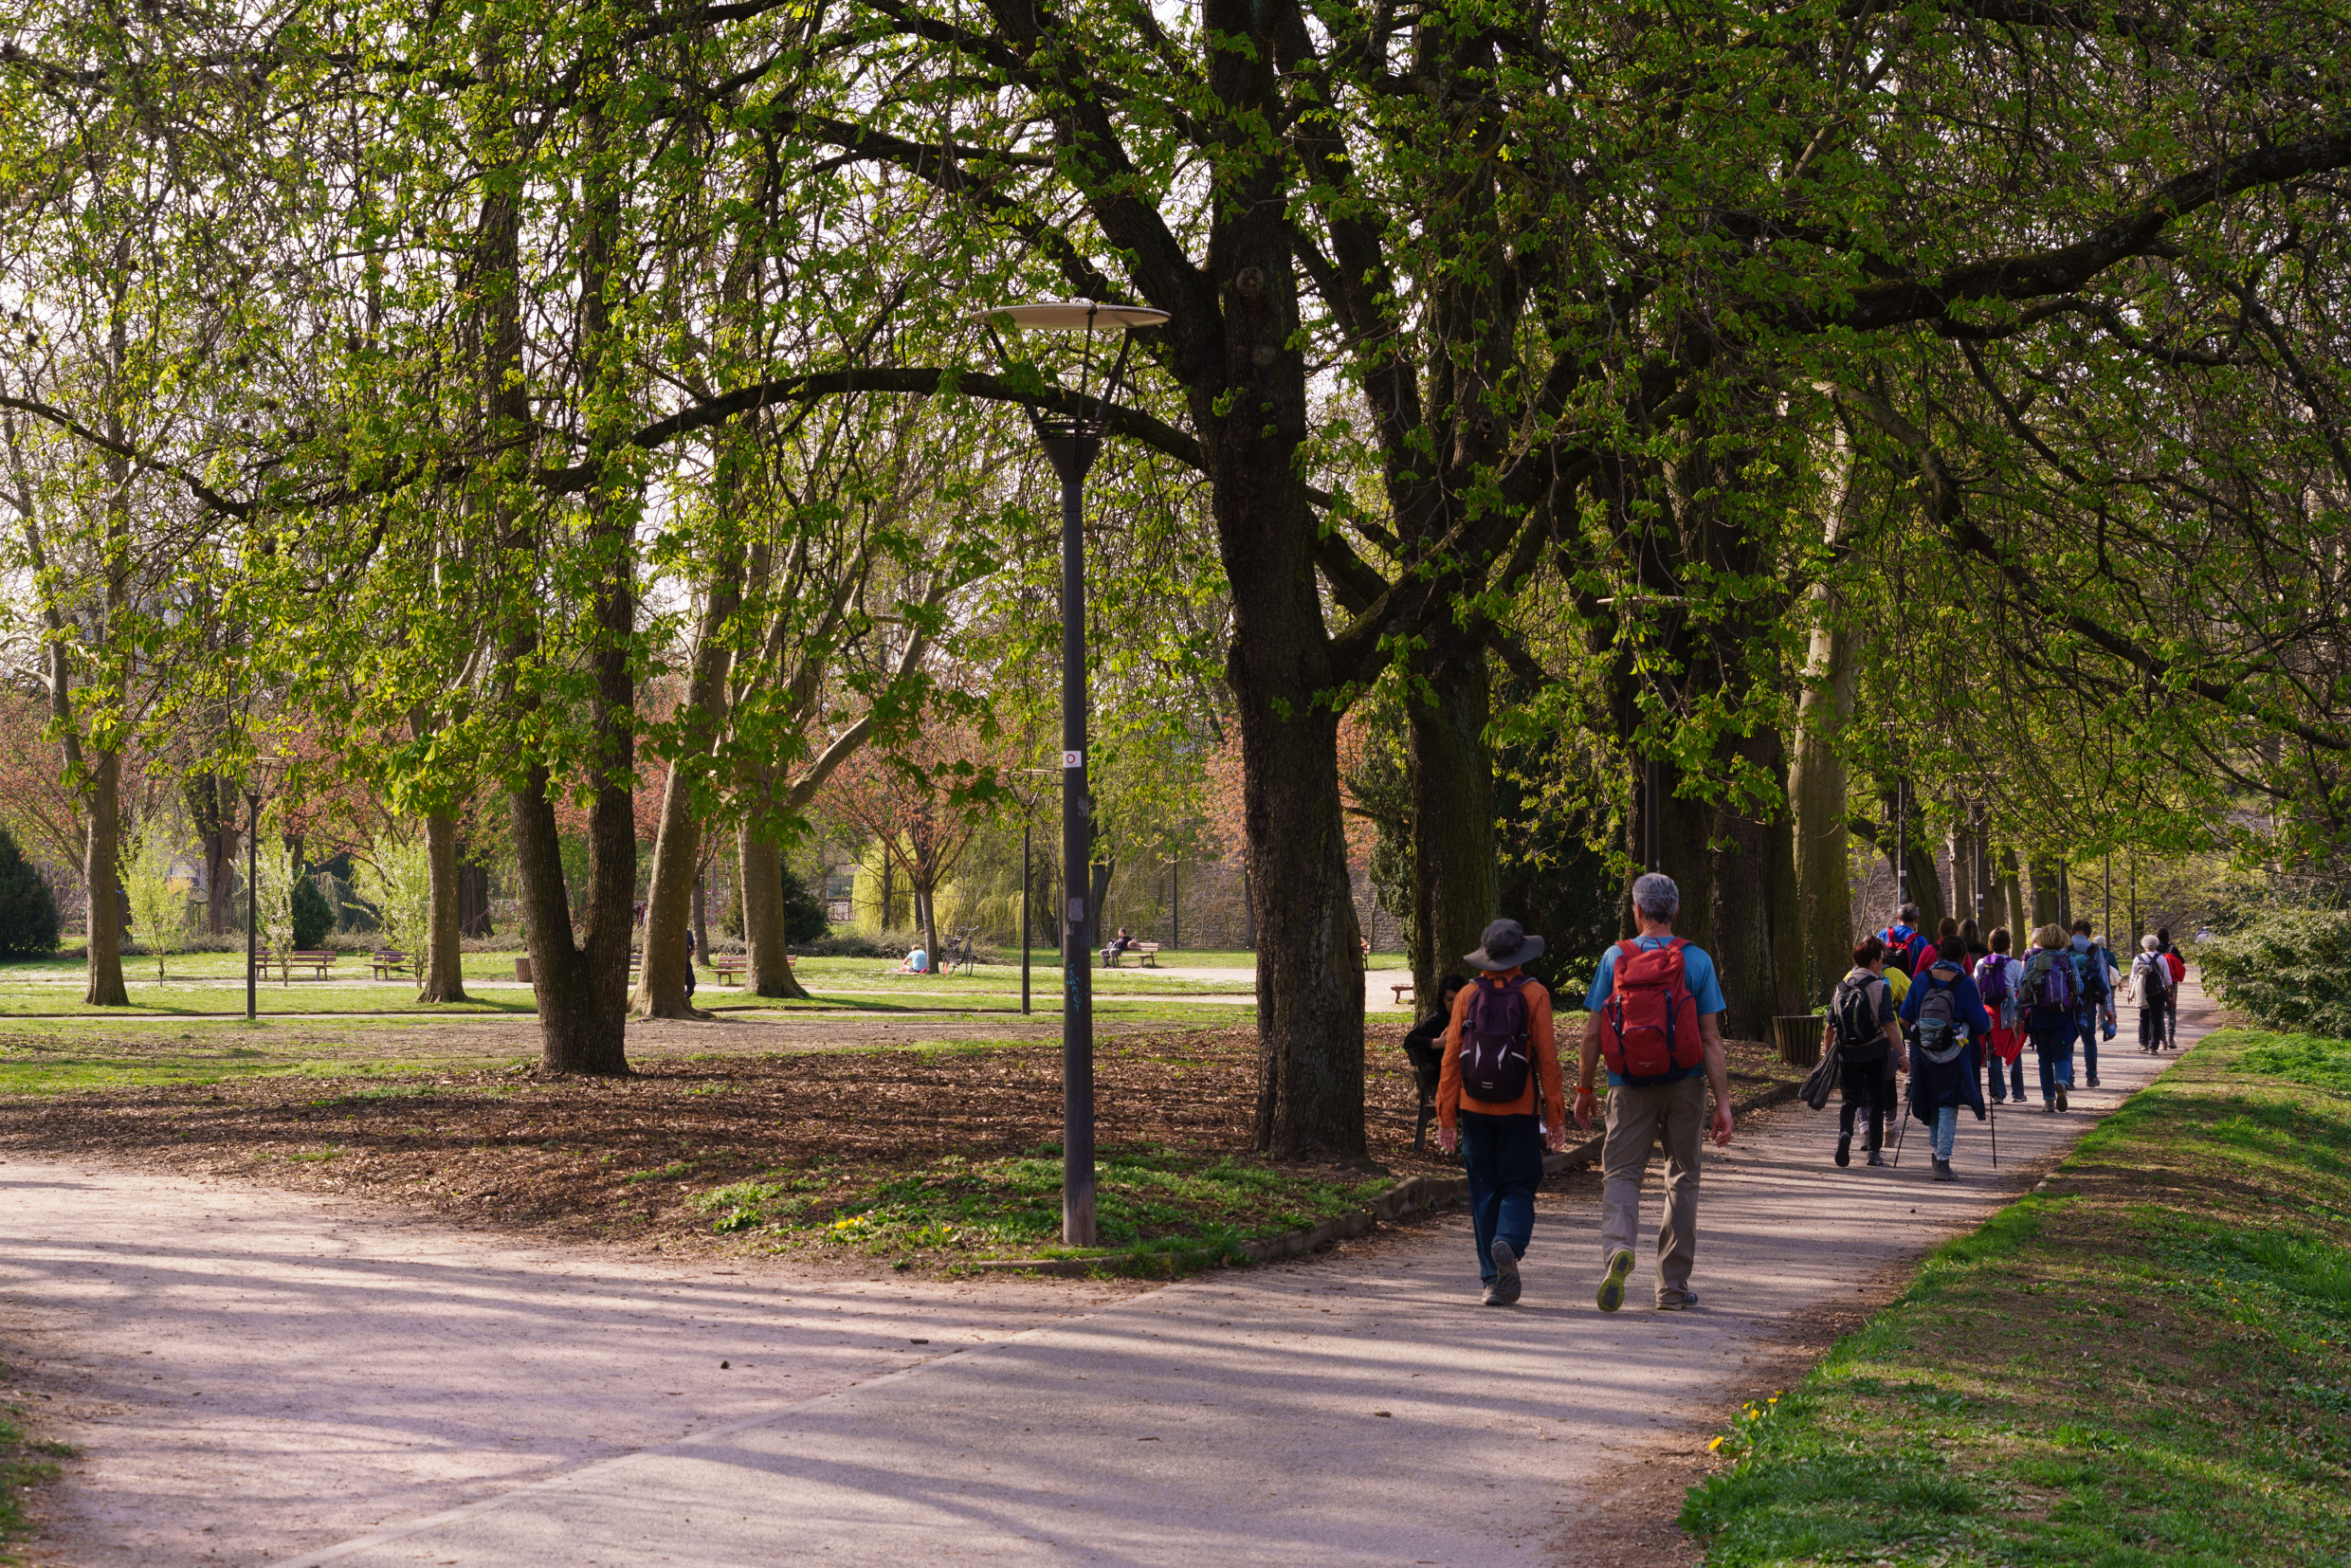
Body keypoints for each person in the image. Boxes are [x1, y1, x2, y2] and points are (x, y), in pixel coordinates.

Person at [1576, 872, 1735, 1313]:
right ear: (1675, 911)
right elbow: (1711, 1039)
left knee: (1622, 1174)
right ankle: (1672, 1288)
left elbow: (1592, 1035)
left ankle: (1618, 1253)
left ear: (1638, 911)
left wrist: (1585, 1088)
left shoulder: (1614, 957)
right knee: (1682, 1178)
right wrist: (1723, 1104)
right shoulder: (1697, 960)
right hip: (1685, 1082)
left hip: (1627, 1084)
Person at [1435, 923, 1563, 1307]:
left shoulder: (1467, 995)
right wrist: (1555, 1116)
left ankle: (1492, 1281)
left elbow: (1451, 1057)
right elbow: (1547, 1058)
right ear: (1520, 956)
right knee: (1520, 1184)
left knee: (1483, 1192)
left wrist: (1446, 1115)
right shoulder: (1535, 993)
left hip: (1474, 1109)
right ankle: (1508, 1239)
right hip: (1520, 1110)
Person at [1901, 936, 1992, 1180]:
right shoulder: (1965, 984)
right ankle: (1942, 1160)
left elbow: (1904, 1017)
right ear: (1963, 958)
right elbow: (1982, 1025)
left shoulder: (1921, 980)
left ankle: (1936, 1153)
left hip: (1923, 1052)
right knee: (1948, 1103)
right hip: (1954, 1052)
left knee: (1931, 1100)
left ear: (1938, 955)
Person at [1826, 936, 1904, 1168]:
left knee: (1849, 1100)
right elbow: (1889, 1024)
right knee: (1876, 1099)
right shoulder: (1881, 986)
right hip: (1875, 1052)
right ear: (1872, 962)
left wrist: (1827, 1054)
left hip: (1847, 1053)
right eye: (1881, 960)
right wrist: (1903, 1053)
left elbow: (1829, 1026)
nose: (1883, 964)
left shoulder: (1841, 988)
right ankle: (1874, 1153)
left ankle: (1845, 1133)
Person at [2021, 924, 2076, 1112]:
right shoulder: (2069, 960)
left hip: (2040, 1015)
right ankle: (2061, 1082)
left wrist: (2019, 1015)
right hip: (2063, 1015)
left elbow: (2024, 989)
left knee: (2044, 1057)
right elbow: (2080, 988)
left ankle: (2049, 1101)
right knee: (2061, 1055)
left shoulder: (2033, 961)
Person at [1976, 927, 2028, 1103]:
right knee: (2014, 1049)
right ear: (2008, 944)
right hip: (2010, 1010)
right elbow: (2022, 988)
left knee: (1993, 1052)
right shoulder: (2014, 964)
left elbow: (1977, 986)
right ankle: (2018, 1093)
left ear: (1990, 943)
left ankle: (1997, 1093)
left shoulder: (1982, 963)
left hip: (1989, 1010)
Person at [2065, 918, 2117, 1088]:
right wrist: (2108, 1008)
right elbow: (2103, 978)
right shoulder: (2095, 949)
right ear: (2089, 933)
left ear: (2073, 931)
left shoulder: (2064, 948)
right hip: (2088, 1001)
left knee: (2068, 1040)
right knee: (2089, 1040)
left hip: (2068, 1001)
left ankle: (2069, 1077)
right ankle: (2091, 1077)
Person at [2130, 935, 2173, 1053]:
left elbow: (2133, 977)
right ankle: (2153, 1046)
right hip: (2158, 991)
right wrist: (2170, 990)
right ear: (2156, 945)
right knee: (2157, 1018)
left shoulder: (2138, 958)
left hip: (2142, 990)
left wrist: (2130, 992)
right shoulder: (2161, 958)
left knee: (2144, 1017)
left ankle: (2143, 1043)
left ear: (2144, 946)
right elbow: (2167, 977)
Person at [1879, 903, 1930, 978]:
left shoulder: (1883, 934)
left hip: (1885, 982)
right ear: (1916, 919)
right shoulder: (1920, 940)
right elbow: (1926, 967)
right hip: (1909, 985)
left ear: (1898, 917)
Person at [2157, 928, 2187, 1047]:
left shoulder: (2155, 949)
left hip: (2157, 983)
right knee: (2171, 1011)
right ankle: (2171, 1038)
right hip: (2172, 984)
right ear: (2167, 937)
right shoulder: (2172, 949)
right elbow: (2182, 961)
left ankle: (2162, 1039)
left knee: (2159, 1011)